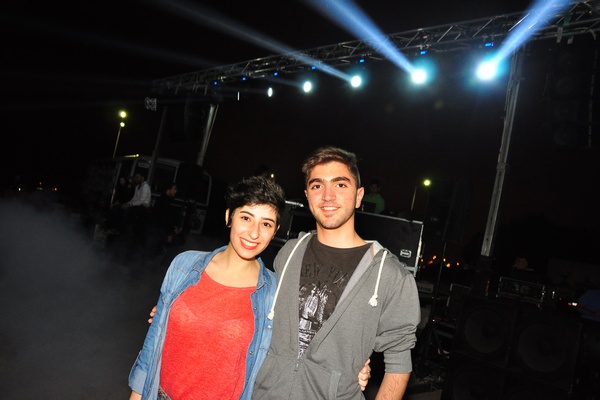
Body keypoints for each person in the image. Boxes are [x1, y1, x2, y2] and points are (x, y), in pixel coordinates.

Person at [129, 175, 372, 400]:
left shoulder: (276, 293)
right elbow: (152, 346)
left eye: (266, 224)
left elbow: (303, 345)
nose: (254, 233)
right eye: (246, 218)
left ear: (275, 231)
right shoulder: (184, 265)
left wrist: (350, 365)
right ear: (229, 217)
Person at [252, 146, 421, 399]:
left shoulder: (389, 275)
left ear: (359, 196)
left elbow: (398, 362)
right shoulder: (288, 253)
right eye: (317, 185)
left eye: (340, 185)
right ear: (307, 195)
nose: (327, 196)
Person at [122, 172, 152, 240]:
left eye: (138, 177)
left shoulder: (145, 186)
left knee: (129, 210)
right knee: (122, 207)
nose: (136, 179)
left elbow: (142, 201)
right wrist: (127, 203)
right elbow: (134, 199)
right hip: (137, 205)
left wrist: (130, 204)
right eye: (135, 177)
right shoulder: (137, 187)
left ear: (142, 178)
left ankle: (125, 230)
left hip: (143, 207)